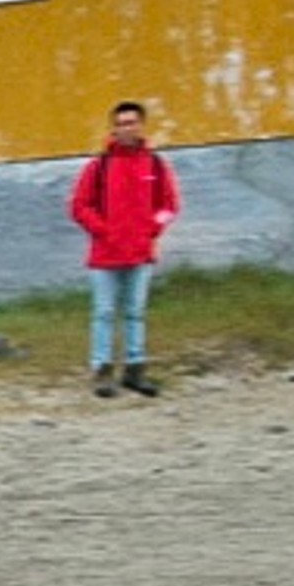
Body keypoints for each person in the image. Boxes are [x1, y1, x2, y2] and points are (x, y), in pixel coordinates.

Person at [71, 98, 177, 399]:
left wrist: (151, 230)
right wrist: (104, 231)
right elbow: (79, 206)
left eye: (131, 123)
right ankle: (102, 371)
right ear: (113, 129)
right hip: (104, 256)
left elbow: (169, 206)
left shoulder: (156, 165)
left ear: (141, 125)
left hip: (141, 254)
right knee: (104, 312)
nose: (125, 128)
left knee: (135, 312)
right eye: (119, 124)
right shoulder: (99, 166)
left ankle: (134, 369)